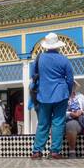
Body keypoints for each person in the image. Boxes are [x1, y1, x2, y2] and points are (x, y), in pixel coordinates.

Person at [29, 32, 76, 160]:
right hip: (61, 94)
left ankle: (37, 151)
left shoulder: (39, 59)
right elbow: (70, 79)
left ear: (46, 46)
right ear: (57, 46)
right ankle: (55, 151)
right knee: (58, 122)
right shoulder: (64, 59)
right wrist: (68, 91)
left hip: (43, 94)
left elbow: (32, 75)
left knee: (43, 123)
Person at [63, 82, 84, 157]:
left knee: (71, 124)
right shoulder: (61, 96)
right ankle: (54, 151)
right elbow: (55, 113)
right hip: (62, 121)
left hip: (77, 122)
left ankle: (72, 151)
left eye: (72, 85)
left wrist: (82, 112)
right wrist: (70, 114)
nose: (71, 86)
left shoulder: (80, 96)